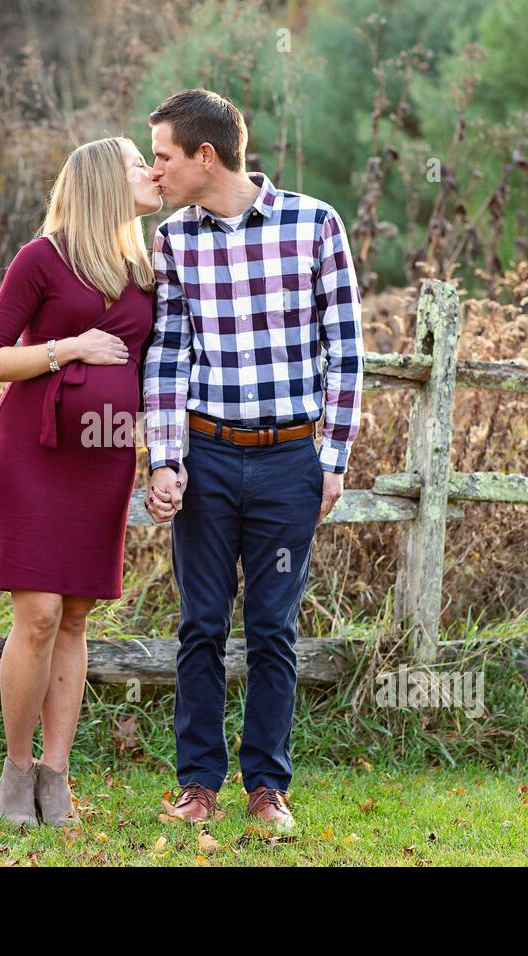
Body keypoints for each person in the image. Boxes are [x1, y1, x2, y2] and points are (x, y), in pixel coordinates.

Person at [142, 89, 364, 830]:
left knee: (273, 627)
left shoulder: (315, 223)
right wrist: (164, 460)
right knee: (201, 623)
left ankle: (267, 786)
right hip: (205, 455)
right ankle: (197, 783)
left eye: (164, 157)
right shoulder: (174, 239)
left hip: (287, 463)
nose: (156, 170)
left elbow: (346, 350)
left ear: (206, 157)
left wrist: (331, 458)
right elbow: (168, 354)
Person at [0, 136, 163, 827]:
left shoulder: (149, 268)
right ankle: (15, 773)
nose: (154, 173)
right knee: (40, 614)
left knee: (77, 616)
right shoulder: (42, 258)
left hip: (104, 457)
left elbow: (163, 366)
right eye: (141, 164)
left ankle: (57, 774)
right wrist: (69, 348)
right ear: (107, 180)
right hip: (33, 453)